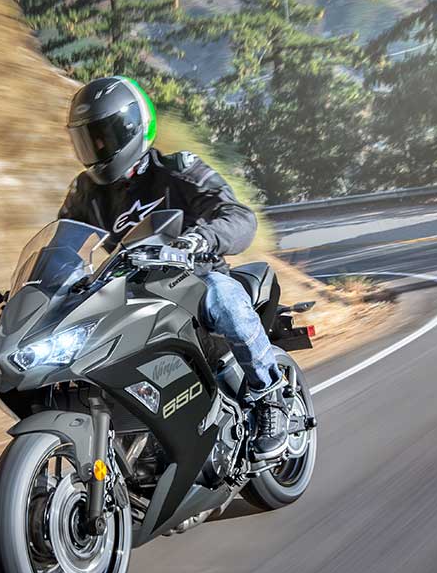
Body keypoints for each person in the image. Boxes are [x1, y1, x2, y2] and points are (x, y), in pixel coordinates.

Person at [57, 75, 289, 459]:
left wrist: (201, 239)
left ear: (133, 128)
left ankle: (269, 397)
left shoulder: (178, 169)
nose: (97, 147)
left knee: (221, 293)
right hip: (129, 296)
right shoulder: (86, 193)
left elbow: (238, 216)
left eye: (105, 136)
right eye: (88, 138)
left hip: (192, 279)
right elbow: (64, 245)